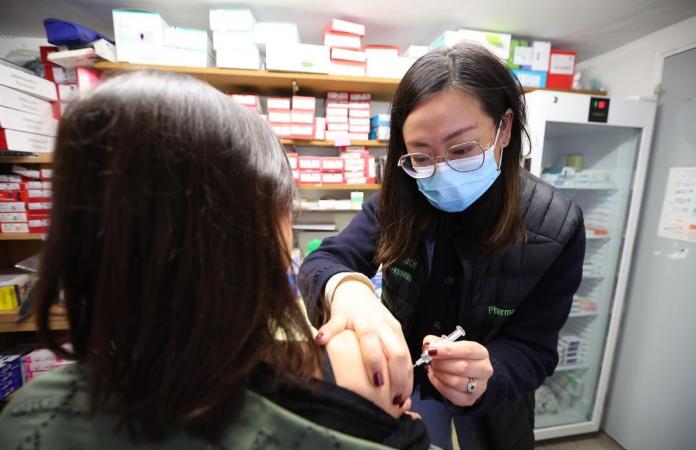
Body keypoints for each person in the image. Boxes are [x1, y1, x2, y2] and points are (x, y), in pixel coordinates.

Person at [0, 71, 434, 450]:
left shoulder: (31, 417)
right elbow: (328, 261)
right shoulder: (346, 373)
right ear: (248, 242)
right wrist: (350, 289)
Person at [299, 43, 586, 450]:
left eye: (463, 149)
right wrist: (348, 292)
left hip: (492, 408)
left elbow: (535, 349)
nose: (442, 171)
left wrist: (490, 371)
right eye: (421, 155)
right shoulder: (400, 199)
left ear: (504, 128)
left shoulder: (556, 224)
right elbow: (322, 262)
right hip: (410, 390)